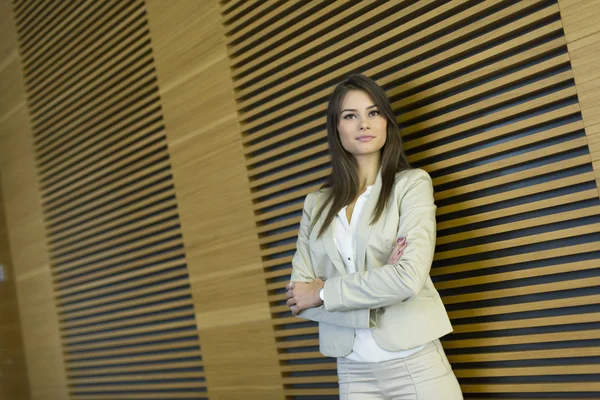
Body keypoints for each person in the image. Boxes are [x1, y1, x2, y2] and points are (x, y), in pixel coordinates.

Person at [285, 74, 463, 399]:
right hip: (353, 374)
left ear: (386, 121)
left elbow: (408, 279)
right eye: (350, 116)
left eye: (373, 112)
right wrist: (382, 285)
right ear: (336, 128)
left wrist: (325, 292)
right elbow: (300, 299)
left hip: (416, 366)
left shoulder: (411, 185)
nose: (363, 124)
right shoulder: (316, 204)